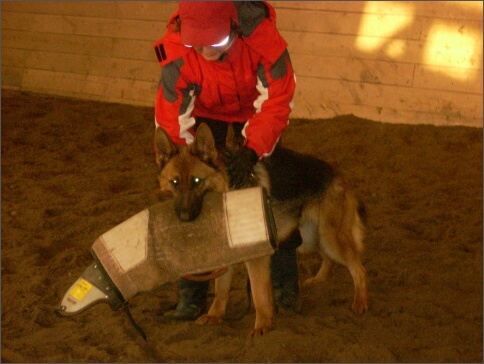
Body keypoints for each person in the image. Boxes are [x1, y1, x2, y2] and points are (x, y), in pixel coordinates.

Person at [153, 1, 301, 320]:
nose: (206, 52)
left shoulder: (264, 42)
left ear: (235, 26)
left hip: (255, 108)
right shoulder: (178, 48)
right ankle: (192, 295)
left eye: (216, 43)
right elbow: (170, 117)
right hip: (207, 111)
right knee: (199, 200)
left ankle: (281, 284)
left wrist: (252, 150)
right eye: (199, 44)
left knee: (275, 191)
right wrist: (186, 162)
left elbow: (276, 102)